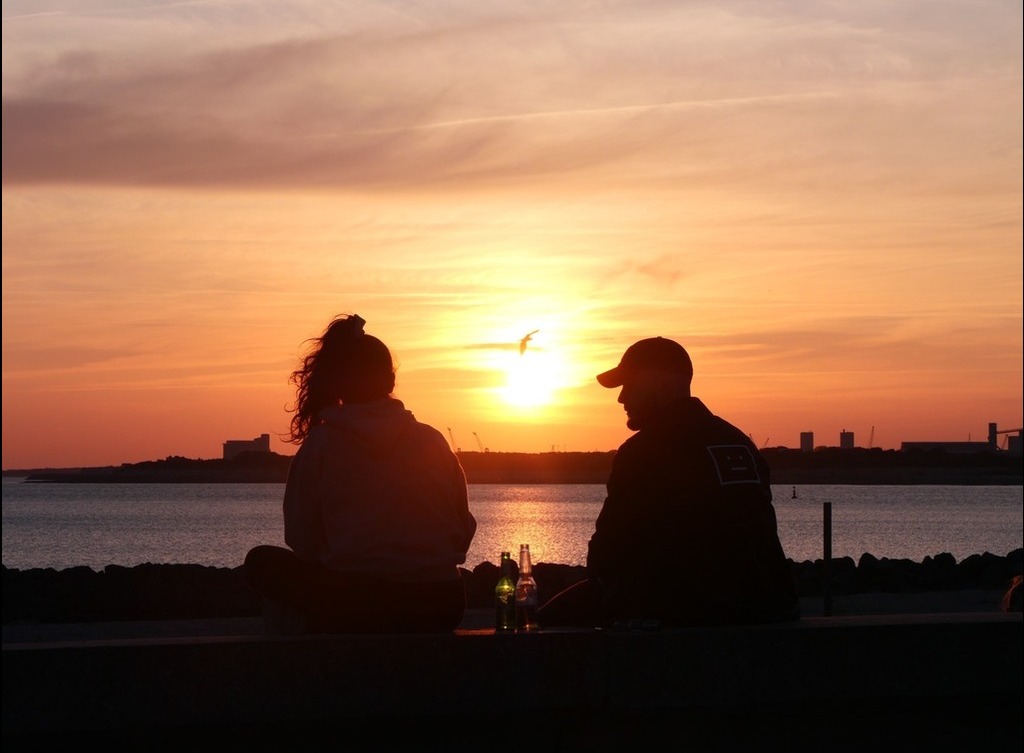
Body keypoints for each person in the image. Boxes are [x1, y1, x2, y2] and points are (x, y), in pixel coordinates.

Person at [537, 336, 800, 628]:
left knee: (544, 627)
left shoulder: (645, 450)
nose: (621, 398)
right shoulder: (741, 445)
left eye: (629, 385)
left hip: (686, 620)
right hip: (770, 613)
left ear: (659, 382)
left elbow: (607, 554)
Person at [244, 313, 477, 633]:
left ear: (338, 382)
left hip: (360, 603)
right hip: (442, 604)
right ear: (391, 381)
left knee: (260, 562)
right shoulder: (432, 440)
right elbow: (462, 530)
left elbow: (302, 540)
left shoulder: (322, 444)